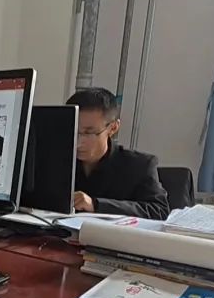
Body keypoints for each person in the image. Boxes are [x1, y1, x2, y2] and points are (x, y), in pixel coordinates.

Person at [67, 87, 170, 220]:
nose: (78, 142)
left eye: (89, 133)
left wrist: (96, 205)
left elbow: (159, 211)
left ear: (113, 128)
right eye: (73, 130)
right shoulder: (54, 160)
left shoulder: (139, 165)